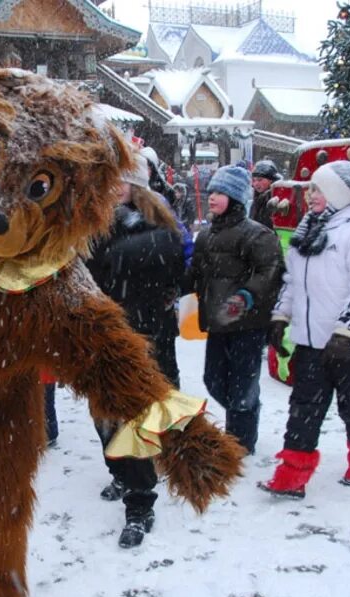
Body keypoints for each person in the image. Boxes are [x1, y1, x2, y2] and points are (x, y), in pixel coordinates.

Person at [261, 160, 350, 499]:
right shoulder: (308, 232)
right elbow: (293, 282)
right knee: (304, 407)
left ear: (338, 194)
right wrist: (280, 317)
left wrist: (346, 330)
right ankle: (292, 475)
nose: (310, 195)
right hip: (311, 341)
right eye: (311, 188)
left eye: (318, 188)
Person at [86, 152, 184, 548]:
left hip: (143, 334)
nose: (114, 189)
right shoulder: (91, 228)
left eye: (121, 182)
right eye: (108, 182)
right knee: (102, 417)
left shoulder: (158, 226)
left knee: (131, 419)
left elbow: (173, 270)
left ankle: (140, 504)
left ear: (137, 186)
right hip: (101, 336)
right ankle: (120, 473)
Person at [186, 165, 283, 454]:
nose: (212, 197)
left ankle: (240, 441)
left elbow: (271, 271)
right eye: (212, 191)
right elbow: (196, 274)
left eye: (220, 192)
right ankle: (245, 413)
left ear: (237, 198)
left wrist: (245, 297)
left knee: (242, 385)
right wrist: (172, 289)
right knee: (213, 379)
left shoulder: (257, 234)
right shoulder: (205, 236)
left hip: (248, 324)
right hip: (217, 322)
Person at [250, 159, 282, 230]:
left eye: (260, 179)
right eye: (254, 180)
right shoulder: (257, 199)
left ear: (271, 180)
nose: (256, 184)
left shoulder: (276, 200)